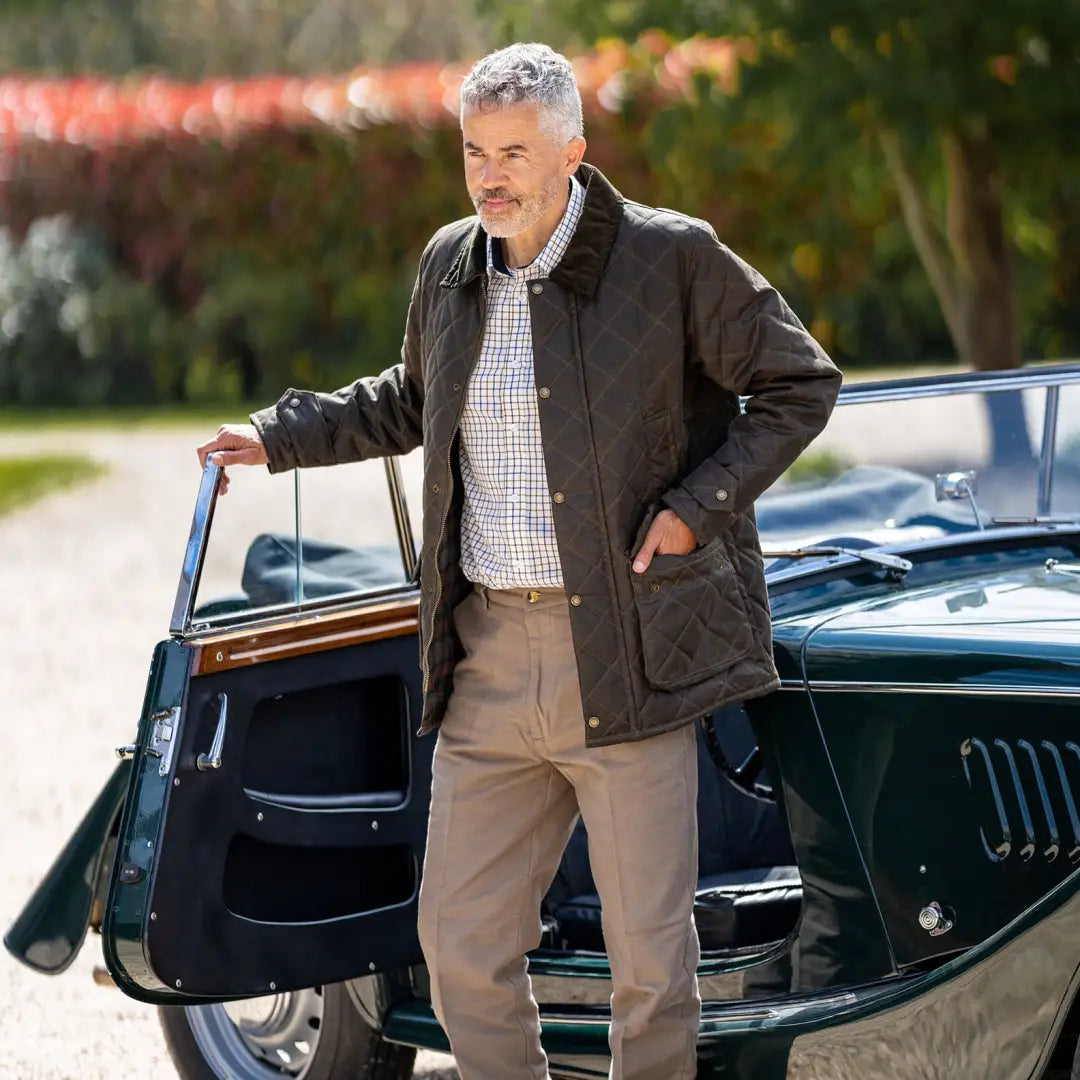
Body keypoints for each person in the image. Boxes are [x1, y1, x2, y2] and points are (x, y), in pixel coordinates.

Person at [196, 42, 841, 1080]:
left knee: (651, 974)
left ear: (573, 153)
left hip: (628, 660)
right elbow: (412, 399)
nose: (489, 176)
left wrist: (694, 510)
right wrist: (279, 436)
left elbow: (798, 382)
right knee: (458, 951)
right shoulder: (449, 262)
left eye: (512, 153)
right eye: (472, 153)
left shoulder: (670, 258)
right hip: (488, 660)